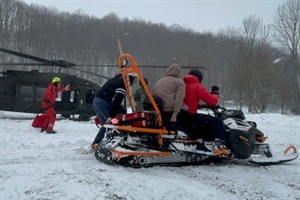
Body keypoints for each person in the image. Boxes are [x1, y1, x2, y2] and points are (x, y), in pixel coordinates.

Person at [183, 69, 230, 155]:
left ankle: (201, 143)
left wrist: (200, 106)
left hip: (181, 115)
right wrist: (215, 93)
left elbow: (188, 101)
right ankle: (218, 145)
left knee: (200, 121)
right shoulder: (197, 86)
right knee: (217, 122)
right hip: (190, 115)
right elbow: (212, 101)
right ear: (199, 78)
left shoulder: (182, 85)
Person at [91, 73, 138, 149]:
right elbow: (117, 100)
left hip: (97, 101)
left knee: (106, 125)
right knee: (114, 124)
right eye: (135, 79)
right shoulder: (123, 83)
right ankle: (115, 146)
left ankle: (96, 144)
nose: (135, 82)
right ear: (131, 78)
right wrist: (112, 115)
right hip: (103, 103)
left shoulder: (117, 80)